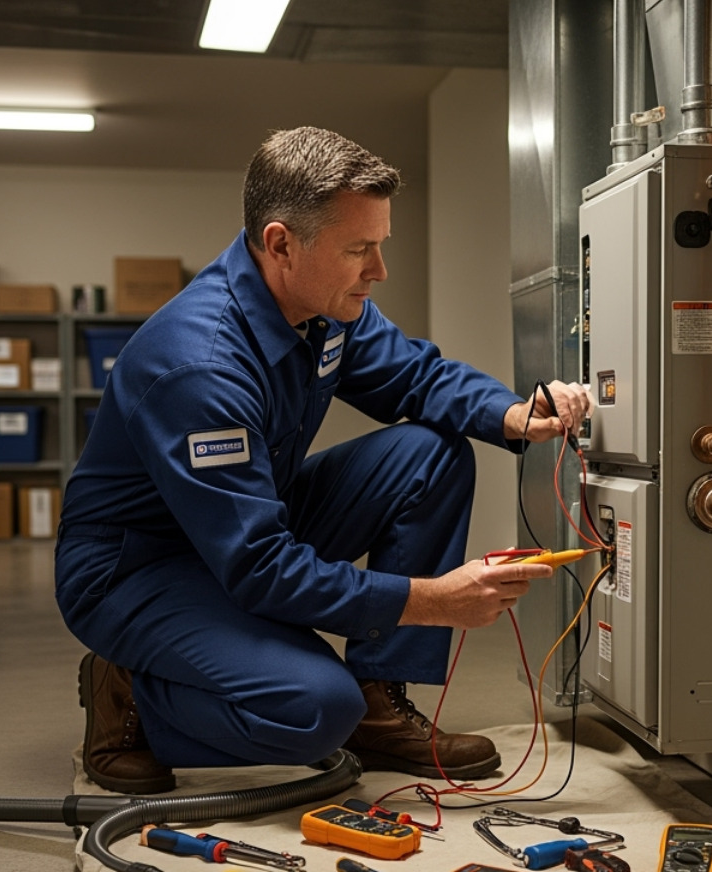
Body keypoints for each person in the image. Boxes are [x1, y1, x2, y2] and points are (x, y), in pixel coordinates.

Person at [55, 126, 591, 794]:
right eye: (359, 249)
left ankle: (378, 701)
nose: (379, 270)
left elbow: (415, 378)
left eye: (380, 245)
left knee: (428, 452)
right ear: (281, 243)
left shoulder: (324, 305)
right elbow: (258, 568)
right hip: (139, 566)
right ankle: (132, 695)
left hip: (244, 523)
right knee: (314, 711)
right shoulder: (200, 367)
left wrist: (513, 414)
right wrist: (431, 601)